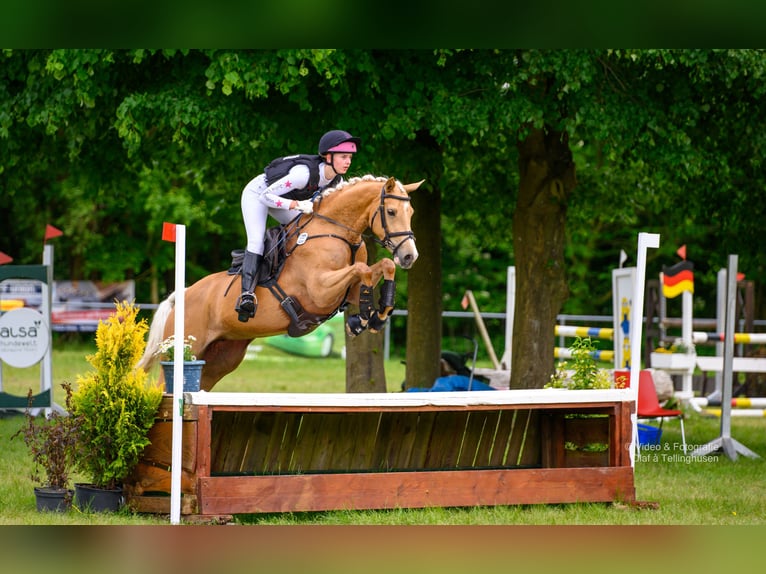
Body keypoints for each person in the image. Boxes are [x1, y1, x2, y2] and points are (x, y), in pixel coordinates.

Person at [236, 129, 361, 322]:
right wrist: (295, 205)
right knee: (256, 240)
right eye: (343, 157)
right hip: (258, 194)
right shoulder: (303, 174)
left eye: (350, 157)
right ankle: (247, 295)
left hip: (285, 199)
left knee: (309, 231)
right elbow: (265, 196)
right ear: (328, 157)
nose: (348, 161)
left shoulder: (337, 182)